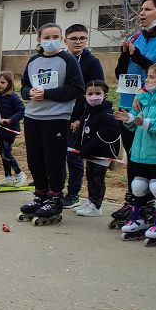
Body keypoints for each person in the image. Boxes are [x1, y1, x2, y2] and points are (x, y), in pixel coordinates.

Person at [18, 23, 84, 223]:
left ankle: (55, 196)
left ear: (62, 39)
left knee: (53, 158)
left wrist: (47, 94)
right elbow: (23, 86)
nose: (50, 40)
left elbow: (76, 88)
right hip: (32, 117)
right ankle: (40, 194)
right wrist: (28, 93)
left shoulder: (68, 60)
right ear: (39, 40)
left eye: (55, 36)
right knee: (35, 158)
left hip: (56, 118)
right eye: (46, 37)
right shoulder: (33, 60)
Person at [115, 0, 156, 190]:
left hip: (152, 107)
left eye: (148, 9)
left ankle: (152, 202)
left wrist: (139, 56)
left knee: (151, 159)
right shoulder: (136, 37)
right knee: (132, 155)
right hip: (128, 103)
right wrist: (125, 55)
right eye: (141, 9)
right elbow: (120, 74)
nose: (142, 13)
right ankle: (133, 200)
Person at [114, 61, 156, 241]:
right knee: (138, 187)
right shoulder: (145, 100)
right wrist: (129, 120)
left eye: (151, 77)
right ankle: (139, 219)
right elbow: (138, 127)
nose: (147, 80)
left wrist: (144, 122)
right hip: (140, 154)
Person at [61, 24, 104, 208]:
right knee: (57, 155)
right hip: (60, 114)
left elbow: (97, 92)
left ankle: (73, 194)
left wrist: (82, 118)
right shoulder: (61, 59)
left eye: (82, 38)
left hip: (79, 117)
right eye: (74, 38)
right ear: (65, 40)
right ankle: (56, 189)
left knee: (74, 157)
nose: (78, 42)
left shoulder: (92, 62)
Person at [70, 80, 121, 217]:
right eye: (90, 93)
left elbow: (104, 136)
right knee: (90, 175)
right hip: (91, 152)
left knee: (97, 178)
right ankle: (91, 201)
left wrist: (86, 149)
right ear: (85, 95)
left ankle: (97, 206)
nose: (94, 96)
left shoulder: (107, 115)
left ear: (105, 95)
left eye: (98, 93)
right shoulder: (88, 112)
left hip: (102, 152)